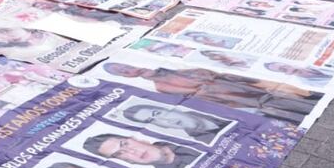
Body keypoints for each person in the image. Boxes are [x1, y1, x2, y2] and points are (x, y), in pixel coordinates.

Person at [102, 62, 322, 124]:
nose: (127, 70)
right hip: (251, 104)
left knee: (308, 104)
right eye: (122, 72)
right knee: (304, 117)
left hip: (257, 92)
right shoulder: (162, 89)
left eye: (123, 66)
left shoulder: (184, 69)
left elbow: (229, 76)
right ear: (127, 77)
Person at [84, 133, 200, 168]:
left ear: (136, 138)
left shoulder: (185, 135)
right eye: (119, 154)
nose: (131, 151)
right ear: (129, 162)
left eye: (124, 144)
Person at [121, 104, 231, 143]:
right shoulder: (204, 141)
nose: (165, 120)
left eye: (157, 113)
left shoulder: (209, 105)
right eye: (152, 120)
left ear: (170, 108)